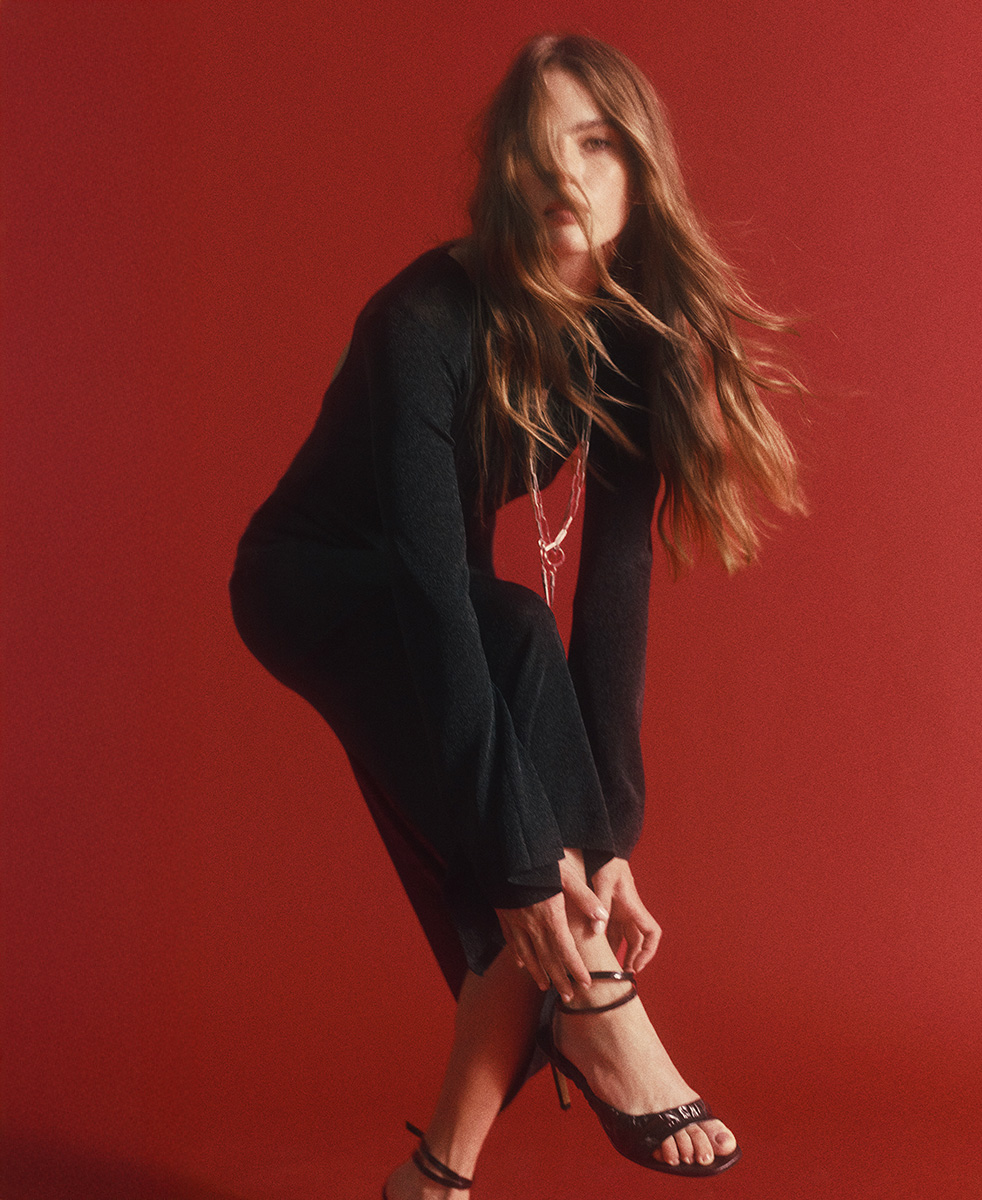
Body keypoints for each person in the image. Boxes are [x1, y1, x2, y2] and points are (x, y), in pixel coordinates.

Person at [230, 32, 803, 1198]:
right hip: (309, 584)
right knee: (521, 826)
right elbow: (438, 598)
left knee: (535, 848)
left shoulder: (633, 345)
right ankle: (603, 1010)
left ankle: (437, 1177)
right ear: (503, 179)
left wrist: (608, 839)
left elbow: (615, 593)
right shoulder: (424, 322)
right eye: (538, 153)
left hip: (449, 613)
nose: (566, 179)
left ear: (640, 168)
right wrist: (545, 859)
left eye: (594, 144)